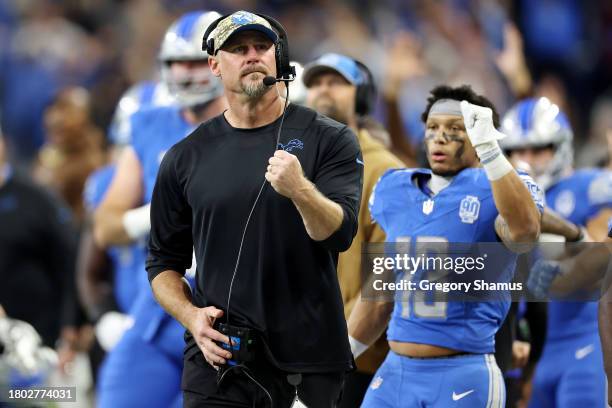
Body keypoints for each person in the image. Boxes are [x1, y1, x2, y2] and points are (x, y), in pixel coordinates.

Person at [146, 10, 363, 408]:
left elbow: (340, 233)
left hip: (307, 362)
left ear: (278, 60)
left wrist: (300, 190)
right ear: (214, 64)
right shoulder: (184, 157)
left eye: (262, 47)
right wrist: (191, 317)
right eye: (238, 49)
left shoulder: (329, 139)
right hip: (220, 360)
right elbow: (162, 262)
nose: (252, 55)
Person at [347, 84, 543, 407]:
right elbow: (382, 289)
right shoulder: (397, 189)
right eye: (433, 128)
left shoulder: (499, 189)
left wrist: (491, 151)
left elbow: (523, 233)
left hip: (463, 372)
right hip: (396, 371)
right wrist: (339, 359)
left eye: (455, 129)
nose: (440, 137)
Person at [92, 10, 226, 408]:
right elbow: (105, 226)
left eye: (196, 61)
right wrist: (156, 214)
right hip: (157, 310)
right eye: (176, 63)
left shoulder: (253, 128)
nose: (185, 73)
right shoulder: (148, 124)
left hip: (225, 315)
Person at [302, 52, 403, 407]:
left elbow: (385, 281)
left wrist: (340, 352)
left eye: (336, 82)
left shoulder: (384, 171)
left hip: (355, 362)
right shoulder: (293, 163)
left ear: (360, 96)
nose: (323, 90)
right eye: (315, 83)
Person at [500, 97, 612, 407]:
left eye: (539, 149)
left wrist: (558, 257)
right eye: (517, 151)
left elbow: (603, 261)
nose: (527, 160)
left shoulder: (590, 187)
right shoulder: (494, 202)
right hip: (529, 354)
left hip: (582, 343)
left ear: (560, 147)